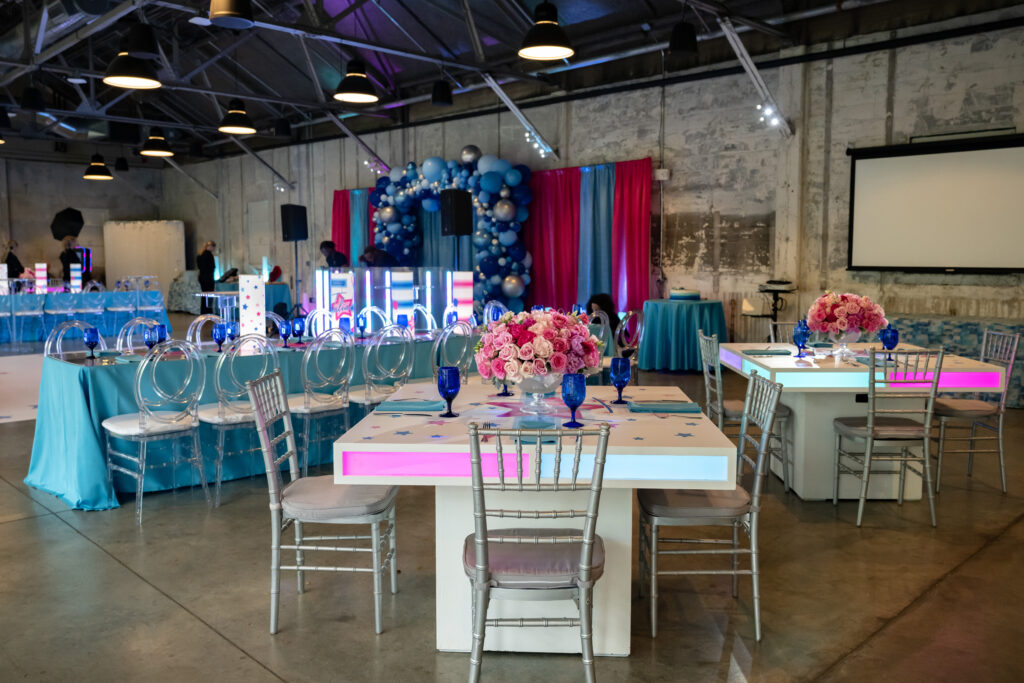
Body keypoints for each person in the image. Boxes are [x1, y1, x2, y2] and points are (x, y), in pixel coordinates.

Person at [197, 240, 216, 314]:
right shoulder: (209, 255)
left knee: (204, 295)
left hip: (202, 278)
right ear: (210, 247)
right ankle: (209, 311)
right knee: (209, 295)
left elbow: (200, 267)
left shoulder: (200, 255)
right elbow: (212, 267)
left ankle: (203, 311)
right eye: (213, 247)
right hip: (208, 278)